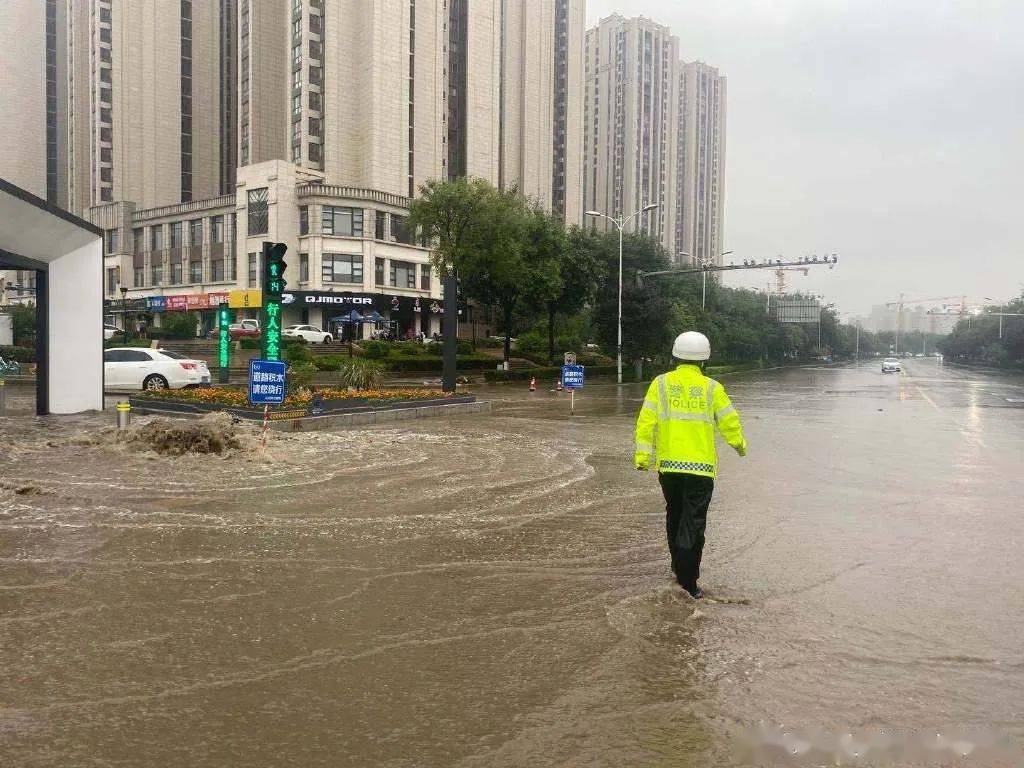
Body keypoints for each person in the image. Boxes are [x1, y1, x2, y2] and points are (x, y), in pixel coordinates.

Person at [634, 331, 747, 599]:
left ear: (675, 356)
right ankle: (689, 583)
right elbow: (729, 422)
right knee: (693, 524)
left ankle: (677, 568)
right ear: (704, 360)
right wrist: (740, 445)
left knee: (674, 516)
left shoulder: (659, 384)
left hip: (669, 468)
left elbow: (645, 422)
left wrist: (642, 458)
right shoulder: (712, 388)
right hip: (701, 470)